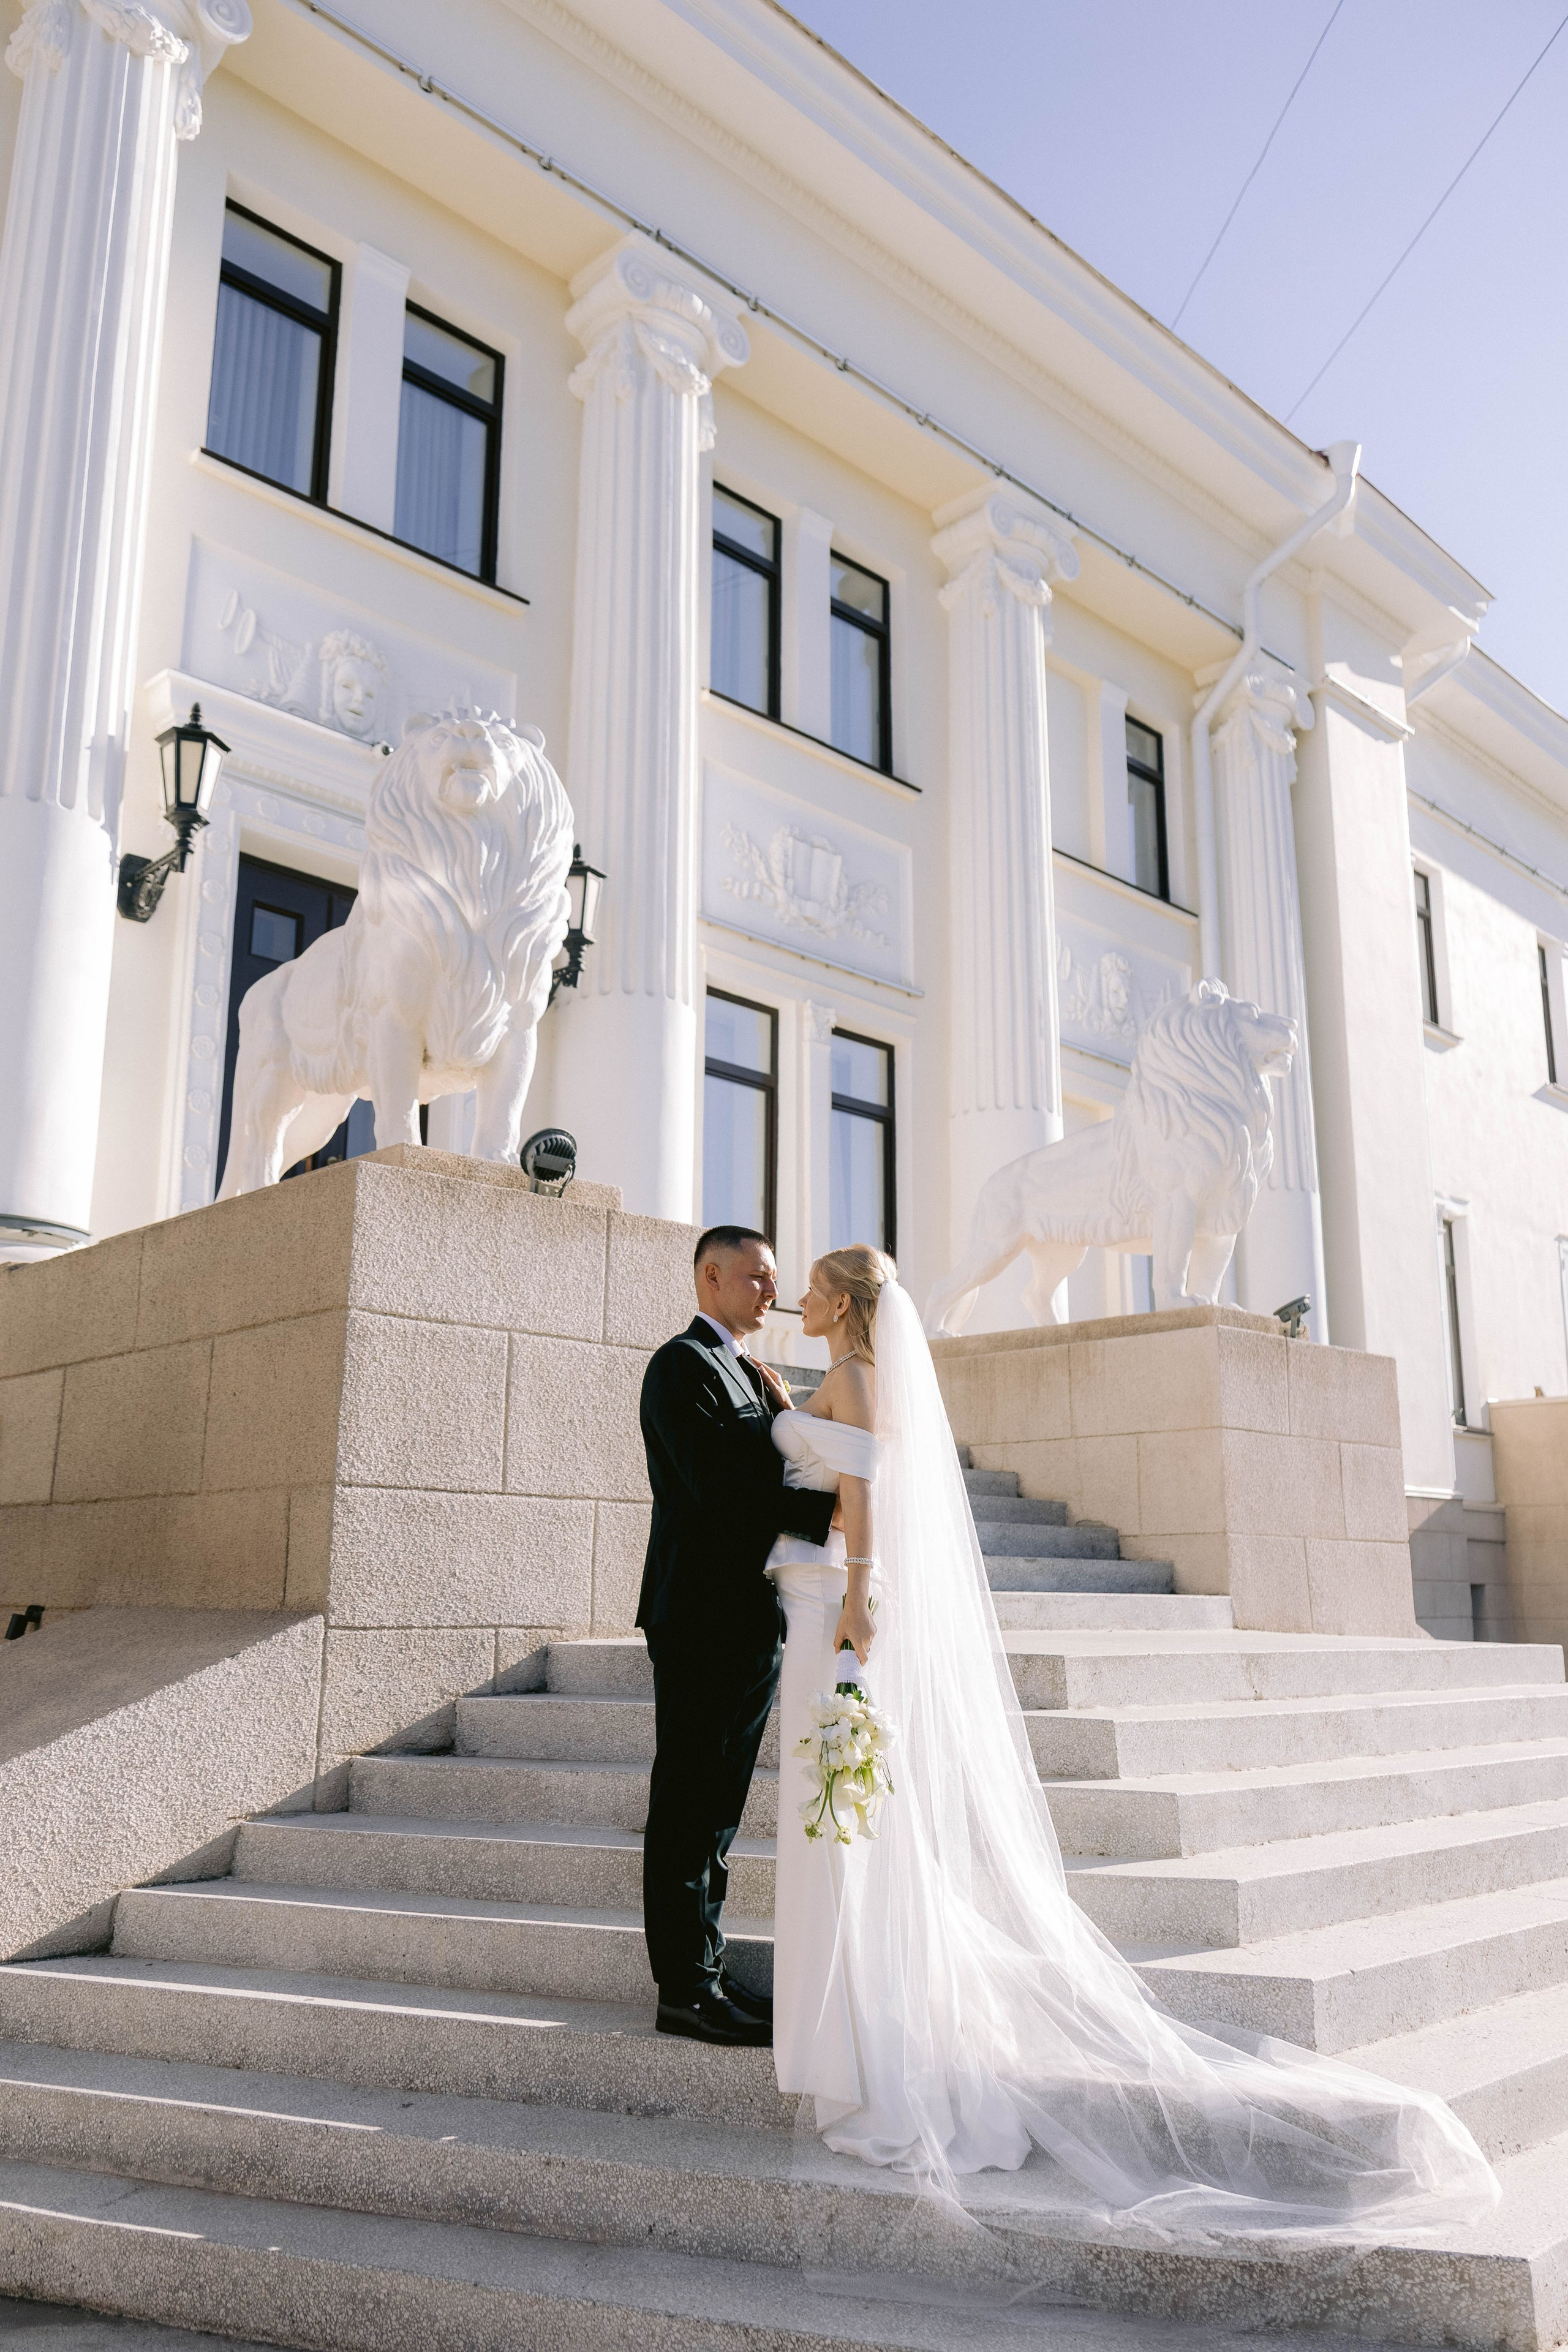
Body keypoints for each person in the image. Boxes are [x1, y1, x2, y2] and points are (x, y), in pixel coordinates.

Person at [764, 1243, 1501, 2241]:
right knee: (861, 1814)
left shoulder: (852, 1377)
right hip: (842, 1602)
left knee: (847, 1811)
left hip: (838, 1606)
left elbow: (861, 1501)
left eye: (811, 1285)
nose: (798, 1298)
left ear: (846, 1303)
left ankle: (865, 2043)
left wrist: (855, 1606)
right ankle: (865, 2019)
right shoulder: (865, 1376)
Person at [636, 1226, 837, 2047]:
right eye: (756, 1277)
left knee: (719, 1810)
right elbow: (719, 1488)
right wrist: (833, 1513)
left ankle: (709, 1973)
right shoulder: (680, 1366)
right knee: (688, 1803)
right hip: (699, 1617)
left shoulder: (755, 1372)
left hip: (752, 1621)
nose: (769, 1293)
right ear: (710, 1276)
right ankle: (684, 1990)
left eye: (775, 1280)